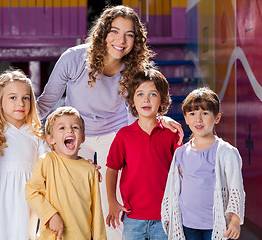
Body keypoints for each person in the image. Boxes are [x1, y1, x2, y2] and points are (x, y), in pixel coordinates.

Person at [36, 5, 183, 238]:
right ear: (103, 33)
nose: (121, 40)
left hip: (114, 134)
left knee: (111, 203)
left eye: (129, 34)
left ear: (136, 40)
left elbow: (139, 105)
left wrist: (159, 119)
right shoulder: (74, 59)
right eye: (114, 31)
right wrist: (8, 118)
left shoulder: (135, 69)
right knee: (71, 198)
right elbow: (46, 102)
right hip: (76, 134)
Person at [161, 87, 245, 240]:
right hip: (188, 224)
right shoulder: (181, 153)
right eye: (192, 114)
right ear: (186, 118)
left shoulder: (227, 152)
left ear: (217, 117)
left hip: (216, 225)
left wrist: (234, 221)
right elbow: (174, 187)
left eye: (205, 113)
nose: (198, 119)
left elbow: (235, 188)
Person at [105, 68, 180, 240]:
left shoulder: (171, 135)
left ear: (162, 101)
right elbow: (112, 169)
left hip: (165, 218)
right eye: (139, 94)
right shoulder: (123, 135)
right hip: (133, 218)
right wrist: (112, 202)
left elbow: (180, 172)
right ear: (132, 101)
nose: (146, 99)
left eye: (153, 94)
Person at [25, 106, 106, 239]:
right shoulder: (47, 161)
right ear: (51, 139)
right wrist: (50, 216)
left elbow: (97, 214)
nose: (69, 130)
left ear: (83, 138)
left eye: (75, 127)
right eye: (62, 128)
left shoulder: (90, 170)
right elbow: (31, 191)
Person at [0, 69, 49, 239]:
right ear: (0, 100)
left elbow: (49, 167)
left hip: (29, 200)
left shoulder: (36, 135)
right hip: (1, 201)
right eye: (13, 97)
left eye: (26, 98)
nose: (21, 104)